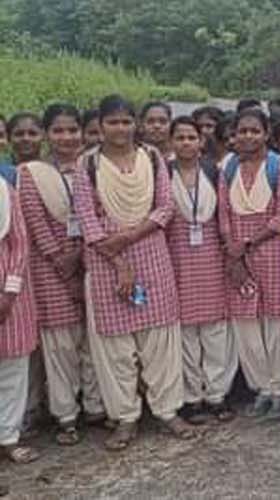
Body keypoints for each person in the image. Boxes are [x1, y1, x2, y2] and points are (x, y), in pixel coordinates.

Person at [71, 95, 198, 450]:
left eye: (126, 121)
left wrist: (127, 237)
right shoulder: (87, 164)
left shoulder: (152, 157)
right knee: (115, 347)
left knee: (160, 341)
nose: (120, 128)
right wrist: (119, 262)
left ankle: (168, 411)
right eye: (113, 122)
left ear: (135, 124)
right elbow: (87, 219)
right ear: (101, 125)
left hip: (151, 255)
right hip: (105, 262)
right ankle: (125, 417)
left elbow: (164, 208)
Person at [20, 104, 104, 447]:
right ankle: (66, 415)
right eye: (58, 130)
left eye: (72, 130)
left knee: (93, 340)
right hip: (49, 268)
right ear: (46, 134)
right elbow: (35, 223)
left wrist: (82, 255)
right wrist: (62, 262)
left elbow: (100, 213)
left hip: (93, 260)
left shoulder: (92, 167)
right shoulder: (31, 173)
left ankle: (96, 407)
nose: (66, 137)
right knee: (60, 345)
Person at [217, 109, 280, 420]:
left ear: (266, 134)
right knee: (246, 322)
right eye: (242, 131)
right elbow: (223, 213)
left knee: (276, 320)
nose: (248, 136)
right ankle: (261, 387)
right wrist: (232, 251)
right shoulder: (227, 168)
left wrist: (248, 244)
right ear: (234, 135)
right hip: (237, 255)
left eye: (254, 130)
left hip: (272, 251)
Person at [164, 117, 236, 425]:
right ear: (171, 142)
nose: (186, 143)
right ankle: (192, 397)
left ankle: (217, 395)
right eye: (180, 137)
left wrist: (229, 251)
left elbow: (224, 215)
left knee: (215, 332)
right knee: (186, 335)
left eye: (191, 137)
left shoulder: (213, 172)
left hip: (211, 258)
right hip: (176, 258)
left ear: (201, 141)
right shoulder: (162, 173)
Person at [0, 161, 39, 465]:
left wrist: (9, 292)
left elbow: (20, 243)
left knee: (13, 369)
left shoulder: (4, 189)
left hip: (9, 293)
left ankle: (8, 439)